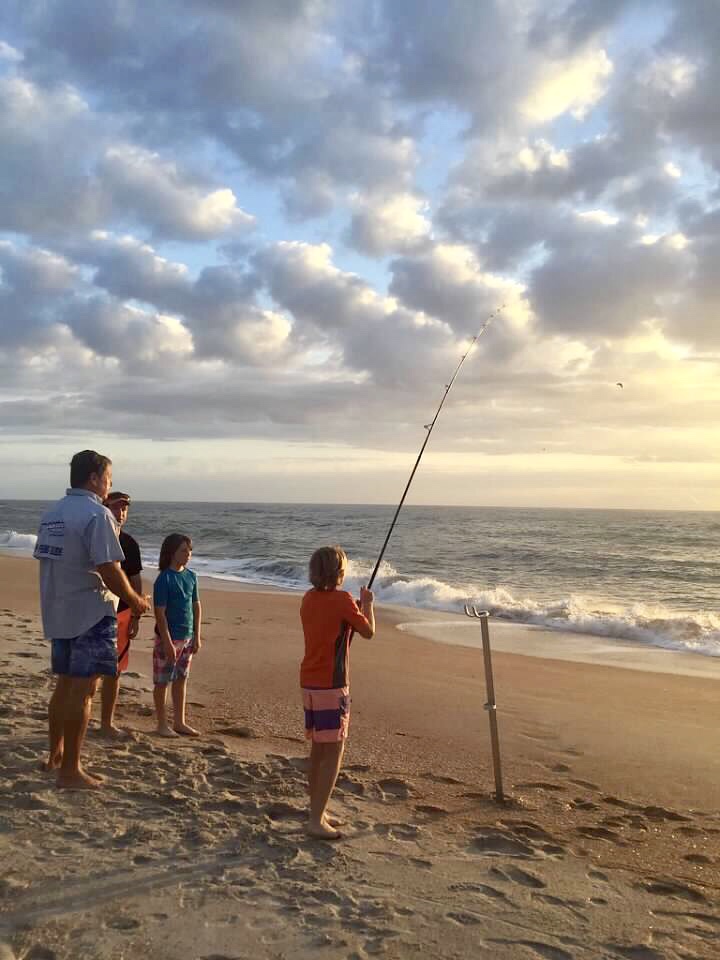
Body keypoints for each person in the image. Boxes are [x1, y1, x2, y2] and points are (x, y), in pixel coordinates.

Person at [34, 450, 150, 789]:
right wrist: (135, 600)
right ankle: (70, 770)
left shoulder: (53, 513)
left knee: (64, 686)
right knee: (83, 691)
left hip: (58, 609)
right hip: (90, 612)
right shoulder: (97, 514)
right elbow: (108, 568)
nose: (109, 484)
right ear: (95, 478)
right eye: (108, 478)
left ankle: (55, 755)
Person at [300, 545, 374, 839]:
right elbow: (368, 632)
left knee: (318, 749)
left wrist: (352, 611)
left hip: (309, 680)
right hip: (332, 684)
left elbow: (332, 625)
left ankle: (317, 810)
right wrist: (367, 605)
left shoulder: (308, 598)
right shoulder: (343, 600)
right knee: (334, 750)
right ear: (339, 572)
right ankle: (315, 820)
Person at [100, 491, 143, 738]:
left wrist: (136, 616)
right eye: (116, 507)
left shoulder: (129, 543)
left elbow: (136, 581)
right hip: (96, 610)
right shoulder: (97, 536)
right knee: (90, 671)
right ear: (104, 508)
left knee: (114, 671)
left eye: (124, 508)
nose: (121, 512)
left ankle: (106, 723)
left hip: (123, 613)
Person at [153, 533, 202, 737]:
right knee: (162, 681)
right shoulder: (164, 579)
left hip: (187, 636)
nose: (188, 554)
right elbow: (160, 614)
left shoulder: (191, 576)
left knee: (181, 678)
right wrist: (167, 642)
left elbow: (196, 606)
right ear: (172, 552)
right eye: (183, 550)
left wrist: (197, 635)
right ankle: (162, 724)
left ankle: (179, 722)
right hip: (169, 638)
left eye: (190, 551)